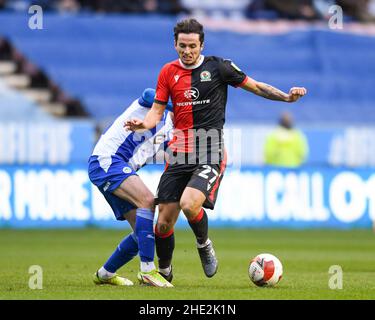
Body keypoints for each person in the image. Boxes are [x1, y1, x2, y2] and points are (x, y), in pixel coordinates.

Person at [125, 18, 307, 283]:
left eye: (192, 46)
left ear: (202, 45)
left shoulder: (220, 67)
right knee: (163, 223)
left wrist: (286, 97)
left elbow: (256, 87)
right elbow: (156, 111)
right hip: (178, 153)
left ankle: (203, 244)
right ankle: (164, 271)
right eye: (182, 46)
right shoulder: (167, 72)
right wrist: (144, 124)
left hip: (210, 150)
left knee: (189, 204)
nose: (187, 51)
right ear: (175, 44)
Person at [88, 88, 174, 288]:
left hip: (117, 168)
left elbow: (175, 153)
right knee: (147, 201)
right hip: (108, 160)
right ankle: (147, 271)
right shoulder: (155, 105)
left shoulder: (172, 129)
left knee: (141, 233)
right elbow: (147, 94)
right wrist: (176, 104)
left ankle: (105, 273)